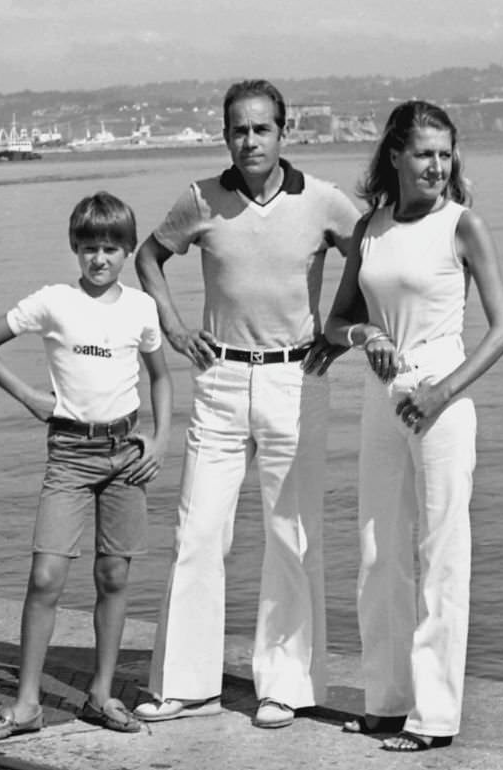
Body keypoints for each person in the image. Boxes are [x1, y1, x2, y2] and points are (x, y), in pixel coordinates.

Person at [132, 79, 360, 729]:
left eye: (262, 128)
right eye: (239, 129)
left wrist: (339, 334)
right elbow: (149, 257)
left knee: (291, 535)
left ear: (283, 132)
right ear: (225, 134)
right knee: (197, 531)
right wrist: (175, 330)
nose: (251, 140)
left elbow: (366, 254)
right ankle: (186, 685)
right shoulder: (201, 198)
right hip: (220, 377)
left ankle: (284, 685)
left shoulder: (322, 200)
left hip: (297, 378)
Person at [324, 100, 503, 751]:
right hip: (383, 394)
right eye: (424, 153)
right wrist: (365, 331)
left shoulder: (463, 226)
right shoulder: (370, 227)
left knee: (441, 555)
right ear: (396, 157)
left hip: (442, 389)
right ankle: (385, 700)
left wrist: (442, 392)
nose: (437, 165)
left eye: (445, 153)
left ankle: (433, 716)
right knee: (379, 553)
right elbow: (334, 320)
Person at [0, 191, 173, 741]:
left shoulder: (141, 308)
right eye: (88, 248)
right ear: (74, 250)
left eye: (110, 248)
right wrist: (31, 398)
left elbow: (160, 377)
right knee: (46, 576)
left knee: (114, 574)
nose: (99, 259)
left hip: (126, 454)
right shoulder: (53, 301)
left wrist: (160, 437)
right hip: (70, 455)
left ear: (128, 249)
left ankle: (102, 696)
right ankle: (27, 704)